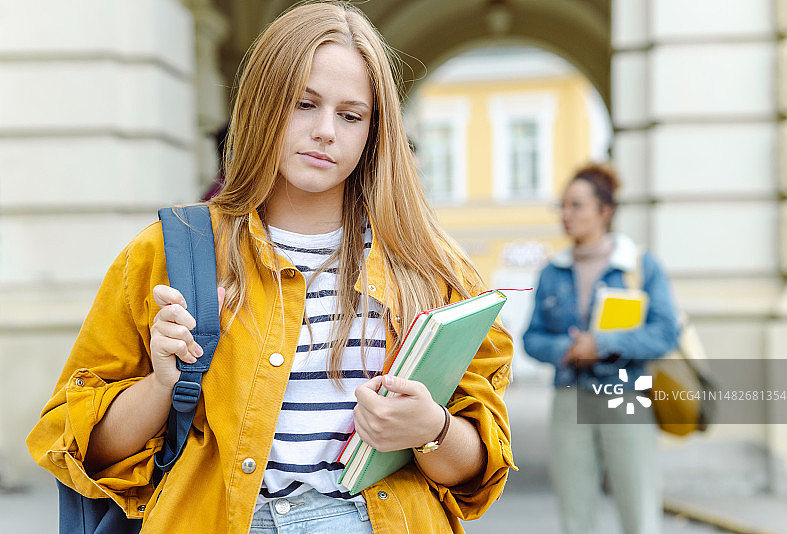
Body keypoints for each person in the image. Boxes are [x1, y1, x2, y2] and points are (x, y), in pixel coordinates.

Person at [26, 3, 515, 533]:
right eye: (304, 104)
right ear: (263, 104)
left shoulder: (428, 268)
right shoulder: (170, 253)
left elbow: (476, 471)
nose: (326, 131)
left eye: (351, 115)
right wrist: (161, 384)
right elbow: (85, 451)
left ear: (375, 129)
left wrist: (431, 429)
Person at [523, 163, 679, 534]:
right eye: (562, 205)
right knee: (574, 510)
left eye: (576, 205)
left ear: (604, 211)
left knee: (638, 505)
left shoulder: (639, 267)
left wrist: (603, 344)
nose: (566, 214)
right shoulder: (552, 271)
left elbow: (664, 333)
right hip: (568, 394)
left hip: (624, 392)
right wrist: (567, 348)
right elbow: (532, 337)